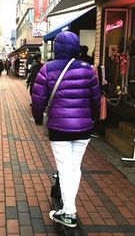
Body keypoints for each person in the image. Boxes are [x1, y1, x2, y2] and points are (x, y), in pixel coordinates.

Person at [31, 31, 100, 228]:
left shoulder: (47, 69)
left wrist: (38, 119)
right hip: (83, 129)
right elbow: (95, 100)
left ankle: (69, 212)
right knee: (74, 167)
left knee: (64, 167)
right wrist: (91, 119)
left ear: (57, 48)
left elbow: (38, 100)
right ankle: (68, 208)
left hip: (59, 128)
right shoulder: (88, 70)